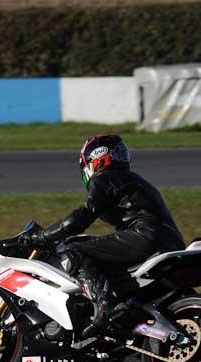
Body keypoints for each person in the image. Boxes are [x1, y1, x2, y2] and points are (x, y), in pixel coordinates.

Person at [21, 134, 185, 337]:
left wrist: (44, 236)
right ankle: (126, 311)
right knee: (92, 248)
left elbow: (81, 218)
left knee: (73, 251)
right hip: (169, 241)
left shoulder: (105, 178)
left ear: (93, 160)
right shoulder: (134, 180)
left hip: (145, 237)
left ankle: (105, 305)